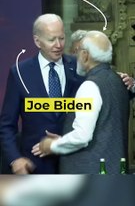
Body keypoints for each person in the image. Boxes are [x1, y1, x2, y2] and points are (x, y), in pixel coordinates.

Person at [32, 30, 130, 174]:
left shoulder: (90, 86)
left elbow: (82, 136)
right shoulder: (119, 81)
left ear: (85, 55)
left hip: (91, 176)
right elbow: (103, 126)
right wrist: (66, 139)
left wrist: (52, 145)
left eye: (78, 52)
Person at [0, 14, 81, 174]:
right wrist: (15, 159)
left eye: (62, 38)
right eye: (52, 40)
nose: (59, 45)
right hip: (35, 166)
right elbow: (7, 125)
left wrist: (128, 86)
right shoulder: (20, 73)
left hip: (73, 164)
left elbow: (102, 99)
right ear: (37, 41)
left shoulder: (79, 67)